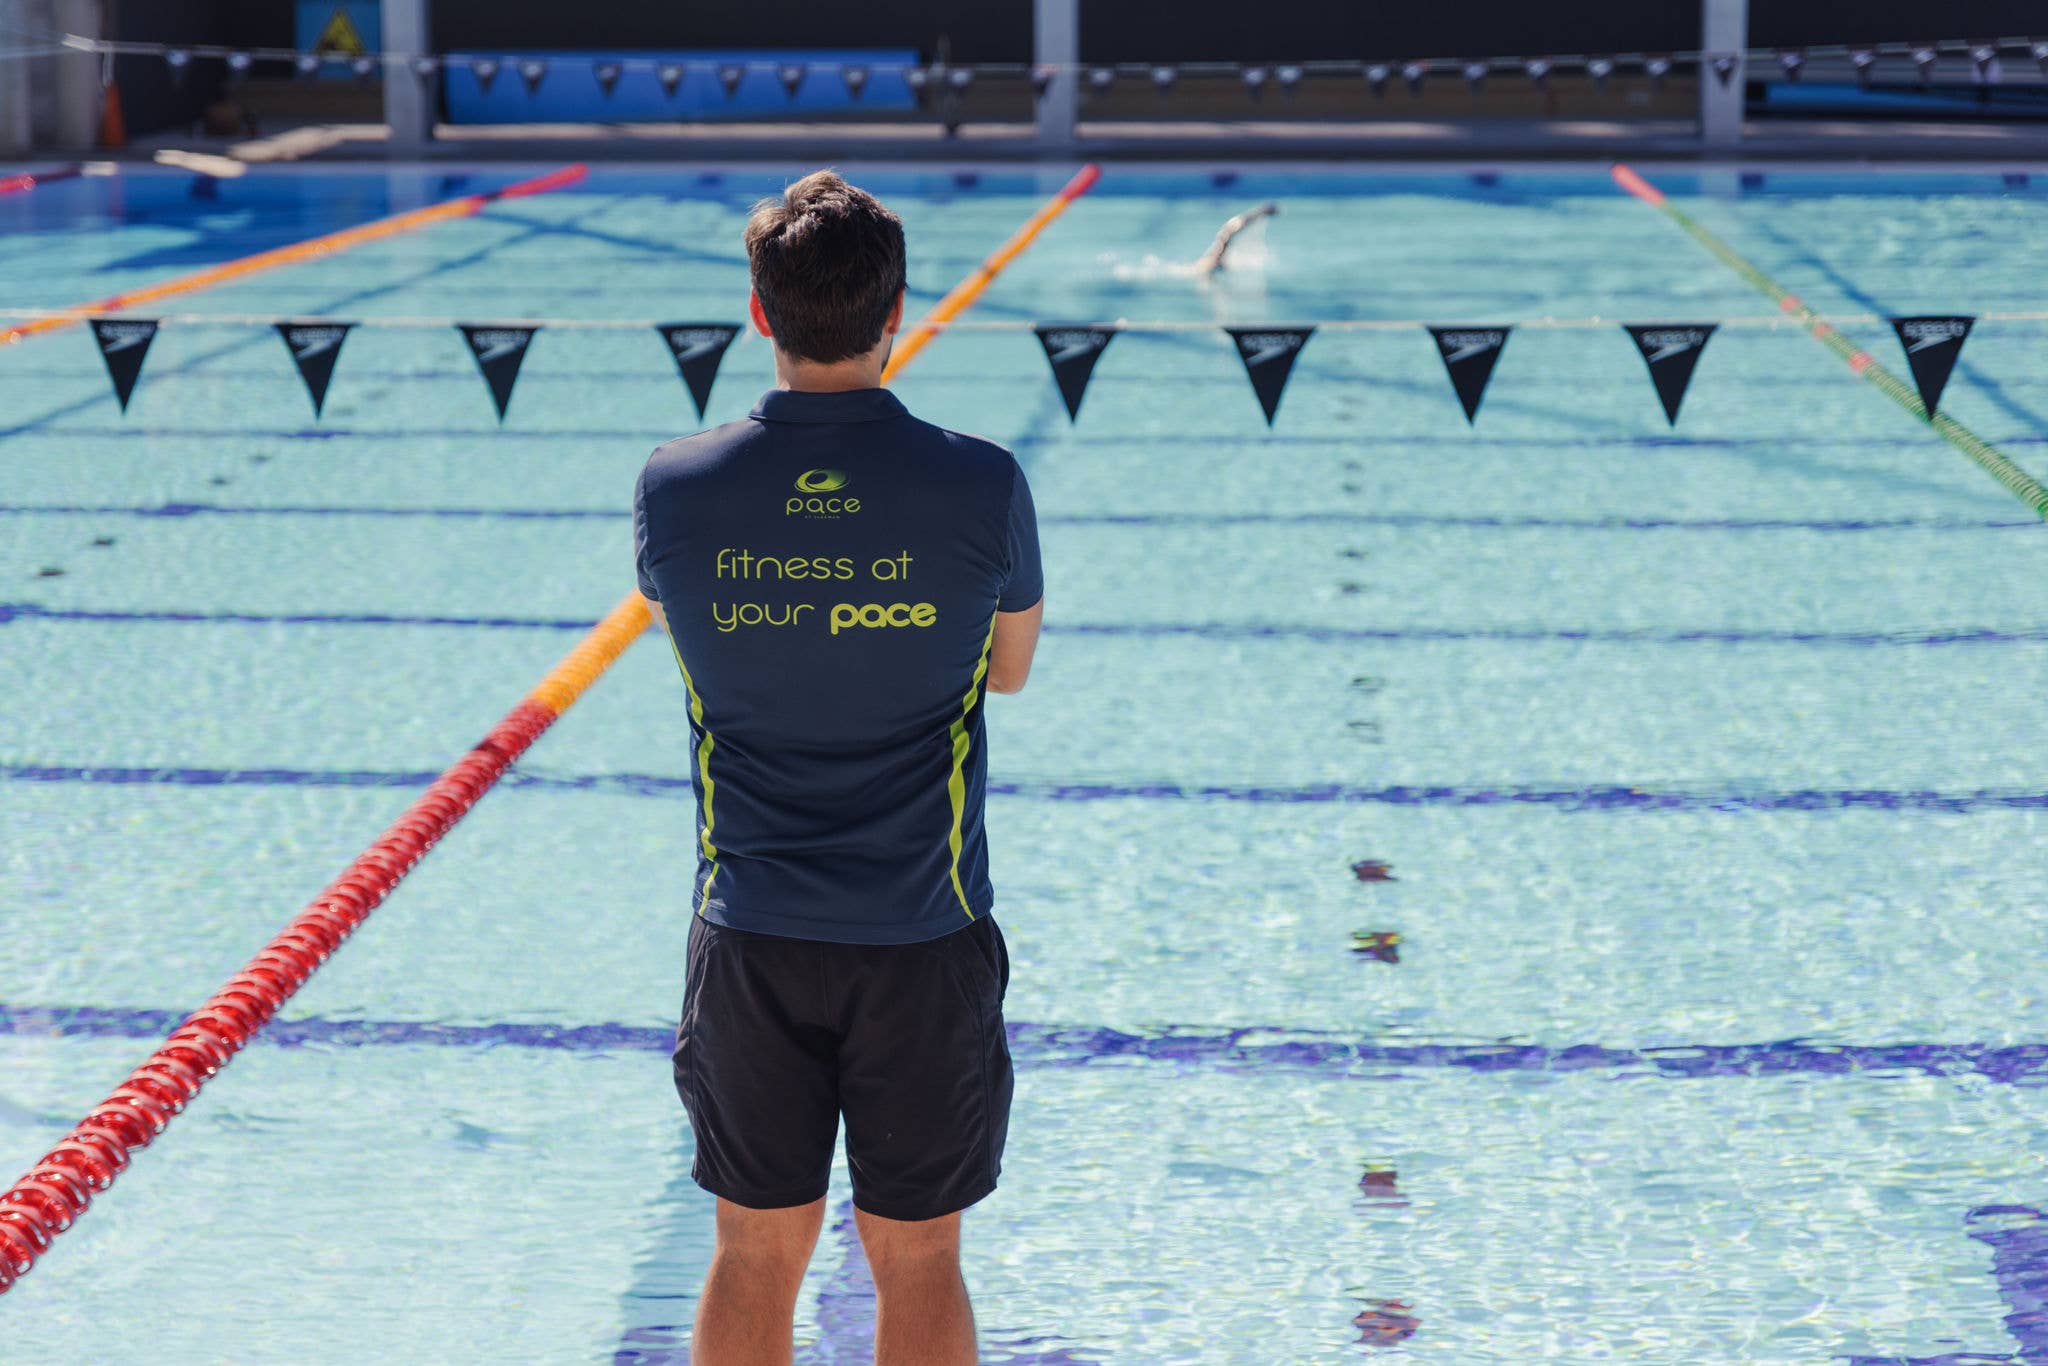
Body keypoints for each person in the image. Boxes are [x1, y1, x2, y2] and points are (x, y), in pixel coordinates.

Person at [632, 170, 1044, 1366]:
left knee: (752, 1248)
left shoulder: (676, 483)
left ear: (759, 313)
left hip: (752, 932)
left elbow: (700, 641)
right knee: (916, 1254)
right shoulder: (980, 482)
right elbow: (1003, 671)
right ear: (897, 310)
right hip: (923, 933)